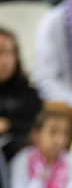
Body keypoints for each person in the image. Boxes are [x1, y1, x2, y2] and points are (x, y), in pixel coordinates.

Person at [0, 27, 42, 162]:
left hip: (23, 154)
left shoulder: (28, 93)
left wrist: (9, 125)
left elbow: (39, 126)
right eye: (0, 53)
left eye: (11, 53)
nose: (6, 60)